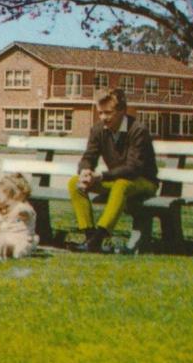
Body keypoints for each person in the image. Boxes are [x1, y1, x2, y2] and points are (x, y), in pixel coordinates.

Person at [68, 87, 158, 253]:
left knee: (122, 184)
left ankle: (100, 236)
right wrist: (85, 171)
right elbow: (88, 157)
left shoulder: (138, 130)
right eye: (100, 113)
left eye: (108, 113)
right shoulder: (98, 130)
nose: (103, 118)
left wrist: (101, 176)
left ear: (122, 110)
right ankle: (90, 237)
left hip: (144, 182)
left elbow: (133, 168)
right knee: (75, 183)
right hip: (117, 181)